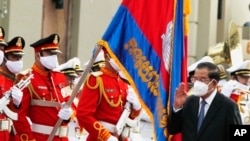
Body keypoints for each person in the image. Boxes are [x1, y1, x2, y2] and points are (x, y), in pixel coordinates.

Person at [12, 34, 74, 141]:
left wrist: (69, 113)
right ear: (38, 55)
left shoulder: (60, 77)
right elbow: (19, 116)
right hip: (40, 137)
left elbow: (70, 102)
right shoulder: (26, 79)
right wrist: (30, 139)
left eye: (55, 53)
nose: (54, 57)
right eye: (50, 53)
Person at [76, 44, 142, 141]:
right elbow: (83, 114)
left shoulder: (123, 82)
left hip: (120, 136)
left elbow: (128, 116)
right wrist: (106, 136)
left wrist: (136, 108)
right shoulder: (96, 80)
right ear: (107, 56)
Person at [167, 62, 242, 141]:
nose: (197, 83)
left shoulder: (229, 106)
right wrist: (177, 107)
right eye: (195, 79)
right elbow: (173, 129)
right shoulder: (189, 101)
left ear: (213, 83)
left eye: (202, 80)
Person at [0, 36, 25, 141]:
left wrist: (16, 103)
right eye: (14, 57)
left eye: (20, 57)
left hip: (6, 133)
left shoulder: (13, 80)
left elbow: (11, 112)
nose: (18, 61)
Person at [55, 57, 87, 141]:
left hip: (79, 136)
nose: (72, 81)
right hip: (67, 135)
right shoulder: (61, 94)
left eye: (74, 77)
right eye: (69, 78)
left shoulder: (74, 95)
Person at [220, 60, 250, 124]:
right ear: (234, 77)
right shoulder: (230, 88)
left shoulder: (247, 90)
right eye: (243, 76)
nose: (247, 79)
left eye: (248, 77)